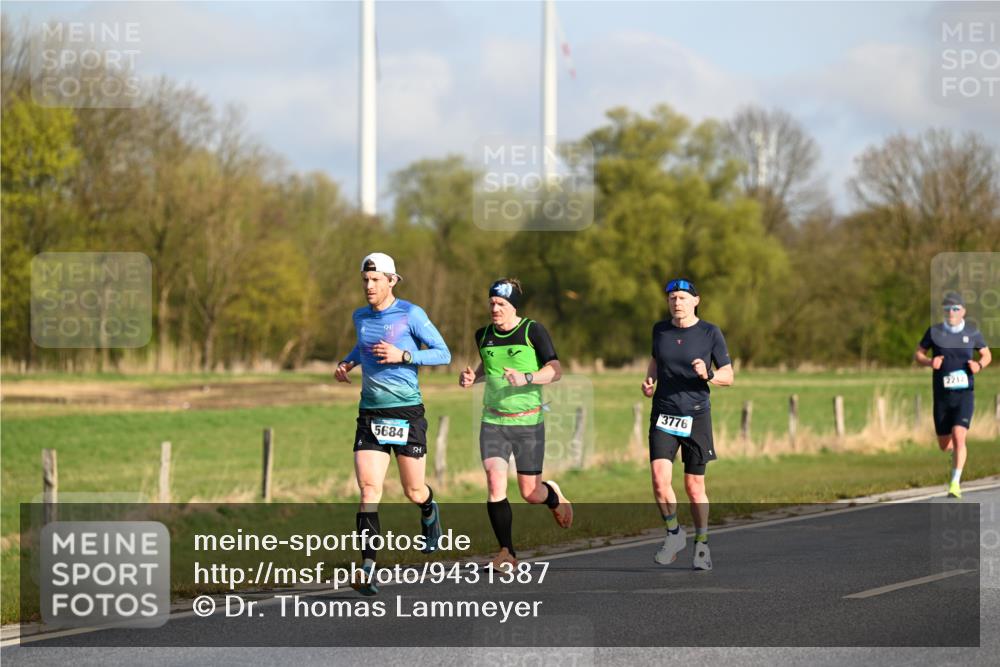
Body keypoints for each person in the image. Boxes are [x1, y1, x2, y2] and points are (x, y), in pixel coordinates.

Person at [335, 252, 452, 595]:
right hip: (370, 413)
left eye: (375, 280)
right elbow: (363, 345)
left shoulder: (411, 314)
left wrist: (405, 355)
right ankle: (368, 567)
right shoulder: (361, 316)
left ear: (391, 280)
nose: (369, 286)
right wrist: (347, 362)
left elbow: (443, 353)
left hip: (407, 413)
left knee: (413, 491)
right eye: (365, 280)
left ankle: (430, 511)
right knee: (369, 489)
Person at [459, 278, 572, 570]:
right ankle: (506, 552)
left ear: (514, 307)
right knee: (495, 483)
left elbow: (556, 371)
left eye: (501, 304)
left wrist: (527, 378)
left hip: (528, 421)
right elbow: (488, 365)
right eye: (492, 303)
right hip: (493, 420)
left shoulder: (532, 330)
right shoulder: (482, 335)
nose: (495, 309)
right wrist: (474, 378)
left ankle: (553, 496)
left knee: (530, 493)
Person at [642, 278, 733, 571]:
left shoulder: (710, 332)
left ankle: (702, 544)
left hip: (695, 415)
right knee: (659, 479)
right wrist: (649, 381)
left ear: (696, 301)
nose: (676, 302)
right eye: (672, 298)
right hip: (664, 413)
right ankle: (674, 534)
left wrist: (707, 374)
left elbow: (728, 376)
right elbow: (655, 360)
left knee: (694, 487)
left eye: (682, 297)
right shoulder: (660, 330)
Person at [914, 291, 991, 499]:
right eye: (947, 308)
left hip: (965, 394)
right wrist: (930, 362)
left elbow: (986, 354)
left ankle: (955, 483)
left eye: (956, 308)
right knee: (944, 444)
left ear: (963, 311)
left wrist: (979, 365)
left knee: (959, 436)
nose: (951, 312)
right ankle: (956, 454)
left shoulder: (972, 333)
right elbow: (918, 353)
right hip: (942, 396)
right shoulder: (934, 332)